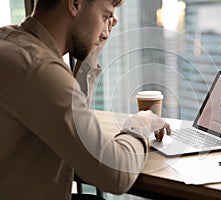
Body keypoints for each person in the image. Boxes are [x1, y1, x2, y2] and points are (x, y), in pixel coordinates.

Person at [0, 0, 171, 199]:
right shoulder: (38, 69)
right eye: (105, 16)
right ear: (75, 3)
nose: (106, 32)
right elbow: (115, 175)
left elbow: (67, 112)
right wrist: (141, 123)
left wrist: (92, 49)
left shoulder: (10, 42)